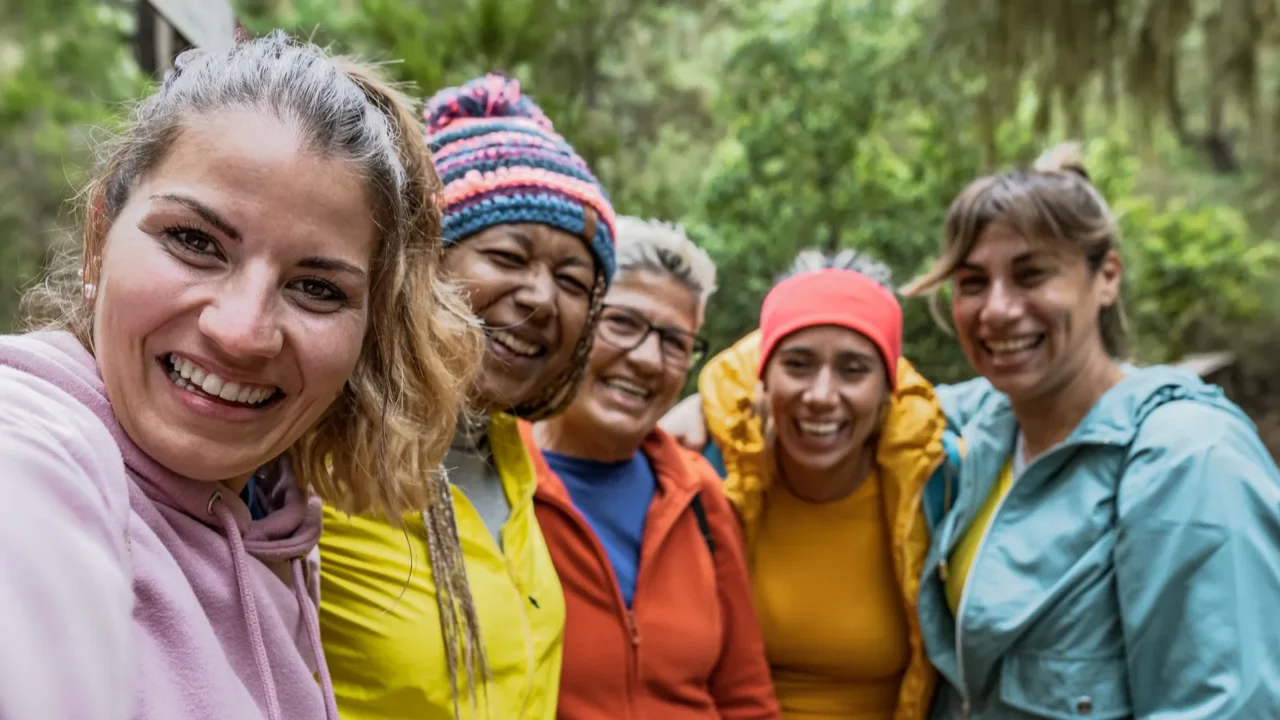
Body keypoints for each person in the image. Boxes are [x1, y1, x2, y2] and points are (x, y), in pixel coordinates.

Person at [0, 32, 480, 720]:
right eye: (195, 242)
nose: (242, 331)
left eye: (317, 288)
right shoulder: (38, 446)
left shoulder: (276, 512)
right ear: (100, 237)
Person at [898, 143, 1280, 719]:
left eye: (1032, 276)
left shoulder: (1188, 460)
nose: (997, 310)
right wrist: (711, 407)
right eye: (973, 283)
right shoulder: (978, 423)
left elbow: (1222, 704)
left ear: (1106, 278)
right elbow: (840, 387)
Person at [318, 73, 618, 719]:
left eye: (573, 279)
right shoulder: (310, 443)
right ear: (423, 259)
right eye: (510, 256)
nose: (541, 297)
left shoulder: (510, 459)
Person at [663, 249, 959, 720]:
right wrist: (704, 402)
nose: (822, 396)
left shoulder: (936, 488)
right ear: (762, 378)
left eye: (854, 369)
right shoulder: (708, 474)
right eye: (797, 365)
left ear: (889, 387)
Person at [525, 216, 781, 719]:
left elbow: (744, 695)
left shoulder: (698, 494)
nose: (646, 358)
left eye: (674, 341)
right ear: (577, 319)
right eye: (622, 323)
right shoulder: (497, 481)